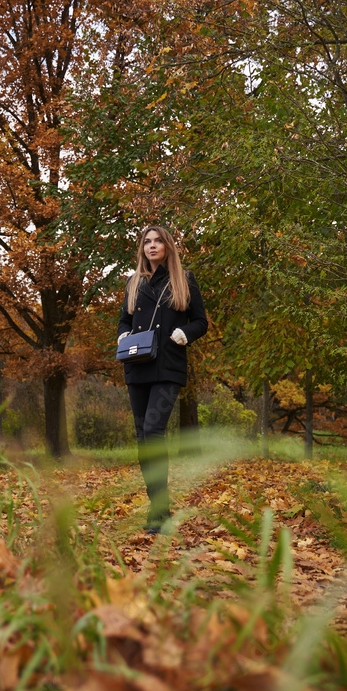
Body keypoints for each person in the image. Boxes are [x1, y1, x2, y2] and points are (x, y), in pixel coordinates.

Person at [117, 225, 208, 535]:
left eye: (158, 241)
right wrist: (123, 335)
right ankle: (159, 507)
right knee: (144, 438)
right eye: (147, 242)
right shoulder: (133, 283)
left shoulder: (184, 280)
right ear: (142, 248)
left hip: (168, 364)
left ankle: (159, 510)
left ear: (168, 246)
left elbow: (200, 321)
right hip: (137, 365)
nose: (152, 246)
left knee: (154, 432)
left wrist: (185, 334)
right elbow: (124, 319)